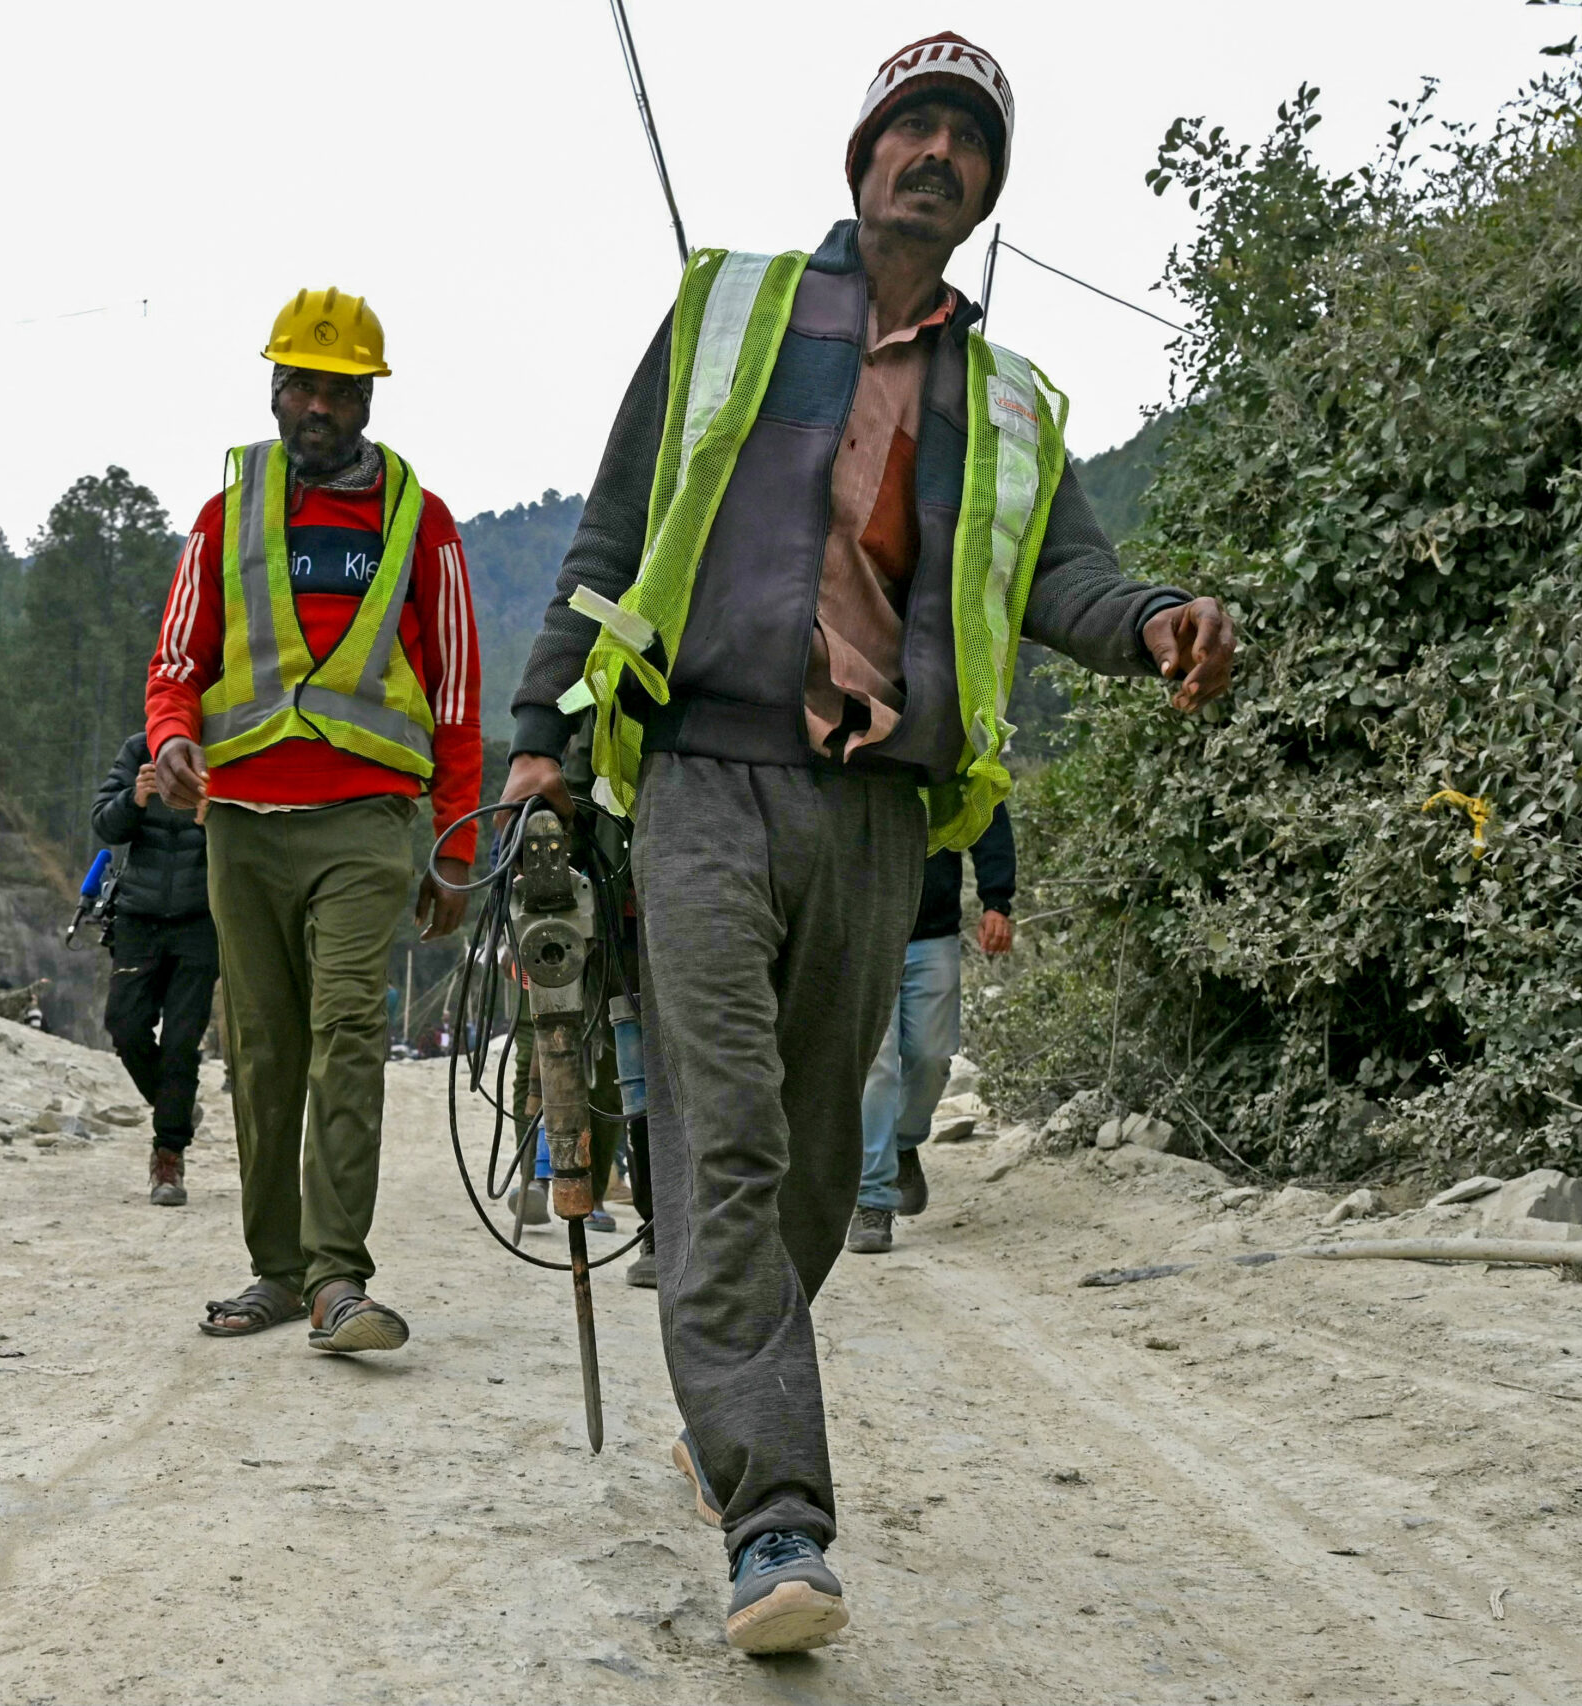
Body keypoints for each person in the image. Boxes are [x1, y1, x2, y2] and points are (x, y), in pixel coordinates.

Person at [500, 32, 1237, 1653]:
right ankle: (778, 1519)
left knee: (822, 1161)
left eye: (967, 139)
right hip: (701, 774)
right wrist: (540, 735)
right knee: (731, 1137)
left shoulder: (1009, 399)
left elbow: (1067, 581)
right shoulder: (733, 315)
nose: (936, 154)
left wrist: (1161, 621)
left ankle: (729, 1389)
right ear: (861, 153)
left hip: (877, 813)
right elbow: (614, 529)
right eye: (912, 124)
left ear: (988, 189)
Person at [147, 286, 482, 1353]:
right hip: (242, 821)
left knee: (344, 1033)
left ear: (368, 399)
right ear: (274, 387)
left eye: (340, 389)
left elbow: (460, 700)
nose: (317, 407)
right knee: (261, 1049)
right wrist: (170, 739)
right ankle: (275, 1269)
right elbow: (176, 665)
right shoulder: (222, 517)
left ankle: (340, 1276)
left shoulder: (422, 525)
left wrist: (456, 848)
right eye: (301, 383)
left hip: (368, 824)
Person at [848, 801, 1014, 1255]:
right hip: (862, 929)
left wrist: (997, 900)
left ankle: (903, 1142)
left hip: (933, 927)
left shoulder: (944, 734)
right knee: (875, 1066)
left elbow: (985, 802)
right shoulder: (840, 733)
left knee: (932, 1056)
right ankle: (873, 1201)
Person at [92, 730, 217, 1208]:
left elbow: (256, 833)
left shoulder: (230, 743)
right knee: (124, 1025)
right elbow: (104, 825)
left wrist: (215, 818)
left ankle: (168, 1157)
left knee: (183, 1042)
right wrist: (135, 797)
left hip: (201, 919)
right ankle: (178, 1109)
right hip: (138, 915)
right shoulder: (140, 748)